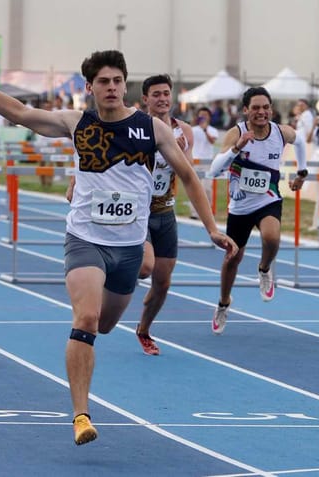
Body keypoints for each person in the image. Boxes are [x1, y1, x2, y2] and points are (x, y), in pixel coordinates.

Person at [0, 39, 237, 445]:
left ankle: (101, 339)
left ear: (125, 85)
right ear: (90, 87)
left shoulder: (151, 128)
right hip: (85, 240)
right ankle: (81, 415)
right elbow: (21, 113)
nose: (112, 87)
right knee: (84, 321)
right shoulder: (76, 123)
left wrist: (211, 228)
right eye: (104, 81)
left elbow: (188, 175)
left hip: (130, 247)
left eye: (118, 81)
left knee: (105, 324)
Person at [208, 86, 307, 335]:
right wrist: (237, 148)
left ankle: (264, 269)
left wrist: (302, 172)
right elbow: (214, 170)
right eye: (255, 108)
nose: (261, 112)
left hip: (268, 199)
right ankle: (223, 302)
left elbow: (302, 141)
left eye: (265, 107)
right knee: (233, 258)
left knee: (272, 236)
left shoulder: (281, 133)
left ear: (271, 109)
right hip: (240, 206)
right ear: (245, 111)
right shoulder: (236, 133)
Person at [135, 74, 194, 356]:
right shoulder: (136, 127)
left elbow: (188, 172)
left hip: (165, 211)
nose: (162, 98)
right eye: (156, 94)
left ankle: (144, 330)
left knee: (163, 282)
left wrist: (182, 154)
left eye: (166, 93)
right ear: (145, 99)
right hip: (138, 211)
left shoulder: (183, 132)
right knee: (144, 268)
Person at [189, 107, 218, 219]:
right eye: (201, 115)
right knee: (194, 187)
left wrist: (205, 130)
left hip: (207, 163)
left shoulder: (212, 130)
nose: (204, 117)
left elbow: (212, 141)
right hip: (195, 161)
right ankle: (194, 213)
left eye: (206, 115)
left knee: (207, 188)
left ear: (209, 117)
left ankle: (208, 211)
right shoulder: (193, 129)